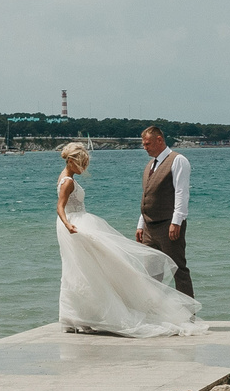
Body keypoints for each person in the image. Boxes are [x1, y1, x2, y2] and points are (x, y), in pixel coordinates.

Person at [55, 141, 206, 337]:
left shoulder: (64, 177)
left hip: (74, 223)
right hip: (74, 224)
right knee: (90, 268)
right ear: (72, 161)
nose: (84, 168)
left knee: (79, 269)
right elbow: (60, 206)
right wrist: (68, 224)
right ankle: (86, 315)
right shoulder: (68, 181)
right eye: (82, 163)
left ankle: (75, 316)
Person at [134, 124, 193, 297]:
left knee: (178, 270)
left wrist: (177, 222)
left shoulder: (178, 160)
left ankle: (189, 315)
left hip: (169, 226)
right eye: (144, 144)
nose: (145, 148)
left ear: (159, 140)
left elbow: (182, 193)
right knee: (151, 274)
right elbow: (148, 196)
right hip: (149, 227)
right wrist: (140, 225)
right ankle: (154, 313)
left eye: (147, 144)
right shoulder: (150, 166)